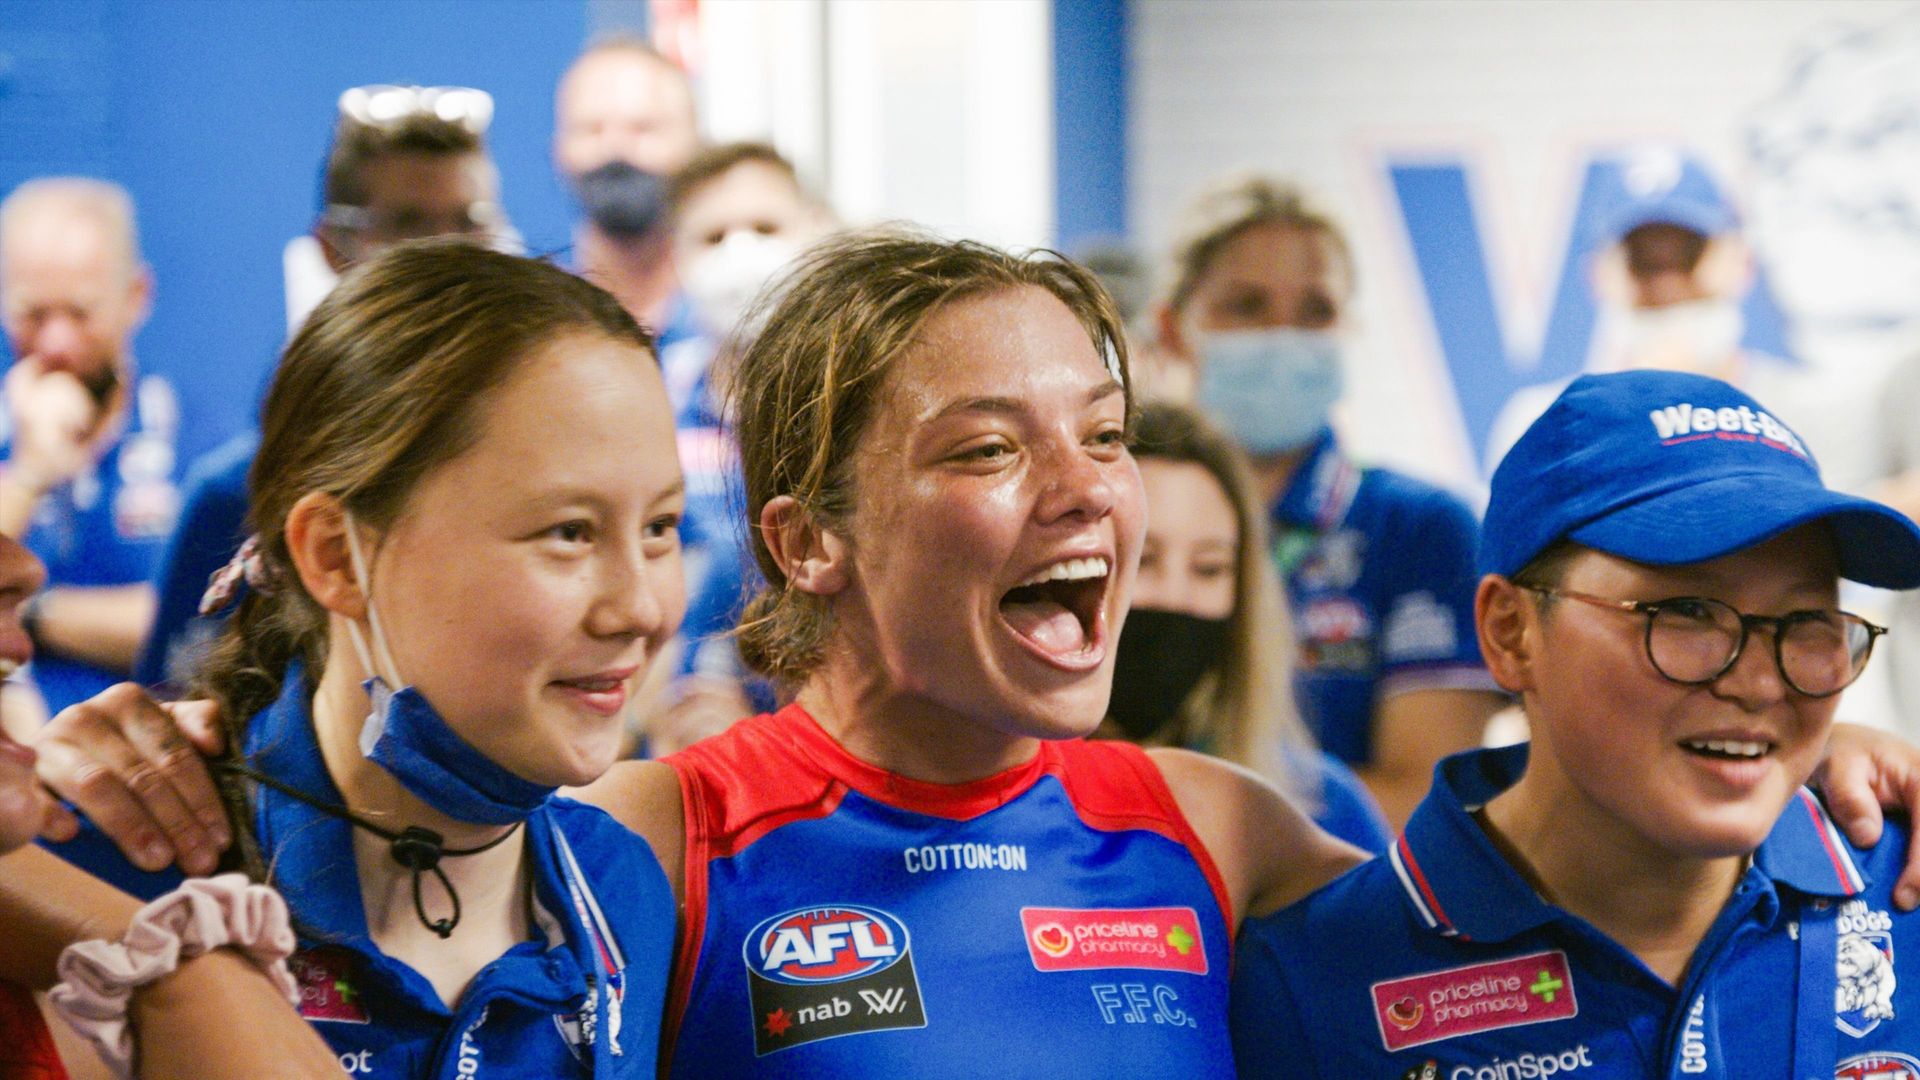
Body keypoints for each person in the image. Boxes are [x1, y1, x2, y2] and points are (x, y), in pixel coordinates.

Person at [35, 234, 1920, 1078]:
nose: (1087, 493)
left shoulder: (1218, 828)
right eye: (988, 449)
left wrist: (1773, 750)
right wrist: (124, 786)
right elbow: (369, 831)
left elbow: (1519, 933)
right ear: (809, 544)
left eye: (1100, 429)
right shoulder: (652, 840)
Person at [30, 242, 684, 1077]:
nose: (641, 608)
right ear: (336, 556)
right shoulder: (117, 863)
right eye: (568, 534)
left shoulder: (621, 889)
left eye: (660, 527)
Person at [1232, 369, 1920, 1076]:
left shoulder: (1905, 890)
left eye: (1806, 621)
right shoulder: (1310, 987)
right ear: (1510, 633)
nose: (1759, 681)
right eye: (1685, 612)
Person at [137, 86, 514, 695]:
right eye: (409, 225)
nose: (449, 254)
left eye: (470, 223)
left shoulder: (541, 465)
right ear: (331, 248)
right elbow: (177, 713)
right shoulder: (238, 496)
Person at [1152, 173, 1504, 827]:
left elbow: (1419, 804)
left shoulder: (1422, 530)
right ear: (1173, 329)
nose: (1283, 337)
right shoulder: (1111, 515)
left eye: (1315, 310)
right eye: (1247, 305)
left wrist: (1190, 815)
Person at [1117, 401, 1391, 853]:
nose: (1175, 596)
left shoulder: (1321, 807)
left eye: (1209, 568)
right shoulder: (1002, 805)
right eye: (1143, 561)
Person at [643, 141, 839, 756]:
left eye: (764, 227)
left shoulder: (870, 402)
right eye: (714, 236)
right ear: (676, 259)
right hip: (668, 747)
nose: (742, 253)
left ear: (817, 235)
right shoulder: (642, 399)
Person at [0, 178, 179, 726]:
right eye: (32, 313)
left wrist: (27, 613)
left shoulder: (196, 440)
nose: (54, 343)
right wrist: (29, 472)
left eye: (79, 313)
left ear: (136, 297)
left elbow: (196, 628)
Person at [554, 35, 704, 353]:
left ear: (695, 146)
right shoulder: (532, 320)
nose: (615, 149)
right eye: (591, 128)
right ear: (559, 150)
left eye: (644, 127)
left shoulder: (727, 319)